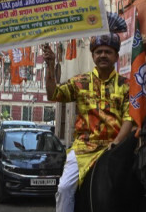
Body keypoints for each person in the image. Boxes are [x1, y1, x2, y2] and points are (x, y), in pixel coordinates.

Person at [43, 32, 133, 212]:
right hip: (83, 149)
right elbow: (54, 94)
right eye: (98, 52)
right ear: (92, 56)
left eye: (108, 51)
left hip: (115, 149)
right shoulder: (80, 82)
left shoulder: (127, 85)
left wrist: (116, 144)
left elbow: (129, 118)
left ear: (116, 56)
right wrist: (51, 64)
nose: (103, 55)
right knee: (64, 189)